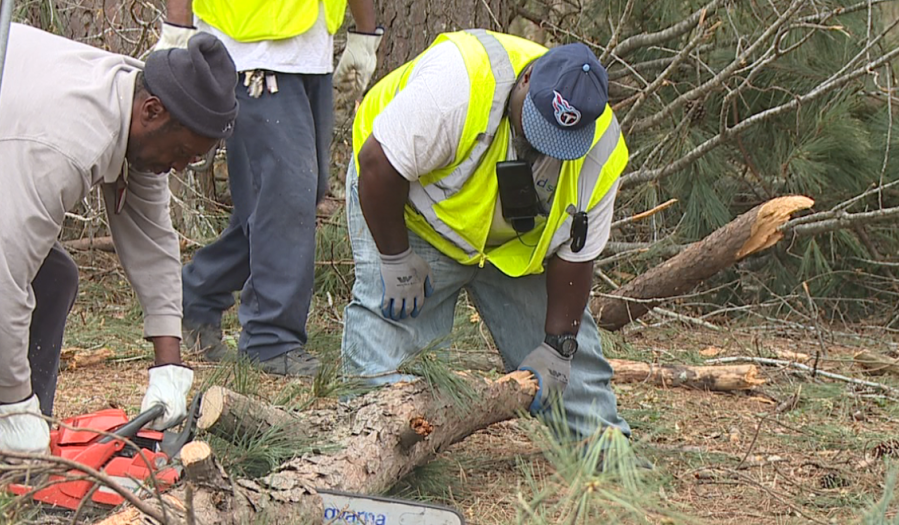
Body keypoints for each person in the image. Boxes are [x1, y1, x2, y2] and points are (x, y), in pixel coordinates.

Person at [0, 23, 239, 455]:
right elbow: (7, 277)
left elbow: (153, 241)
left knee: (54, 277)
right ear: (152, 112)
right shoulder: (64, 143)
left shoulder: (141, 109)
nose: (182, 167)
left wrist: (169, 365)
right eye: (184, 153)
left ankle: (0, 453)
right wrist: (16, 403)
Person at [344, 30, 632, 442]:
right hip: (407, 215)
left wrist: (558, 347)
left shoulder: (600, 149)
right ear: (527, 78)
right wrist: (395, 258)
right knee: (388, 389)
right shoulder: (458, 85)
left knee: (573, 384)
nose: (540, 146)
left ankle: (608, 463)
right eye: (536, 127)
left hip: (514, 250)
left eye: (558, 141)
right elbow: (377, 165)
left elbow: (577, 252)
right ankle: (368, 457)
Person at [155, 0, 380, 377]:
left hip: (312, 51)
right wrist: (179, 26)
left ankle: (194, 295)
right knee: (285, 198)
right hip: (250, 52)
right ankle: (269, 339)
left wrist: (364, 33)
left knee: (284, 200)